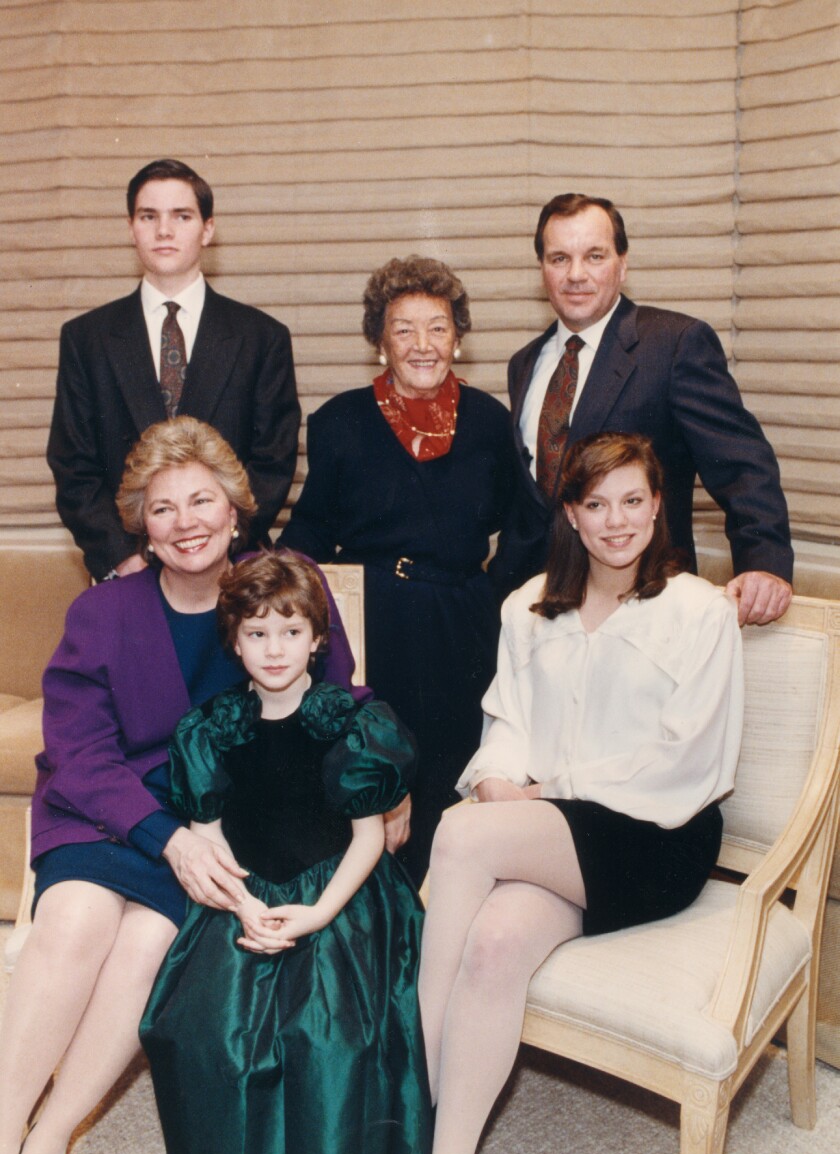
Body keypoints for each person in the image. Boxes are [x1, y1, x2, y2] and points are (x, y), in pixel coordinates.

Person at [0, 418, 360, 1154]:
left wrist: (379, 782)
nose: (186, 521)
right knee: (77, 923)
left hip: (219, 823)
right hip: (108, 811)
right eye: (163, 509)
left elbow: (334, 694)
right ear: (144, 527)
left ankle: (50, 1139)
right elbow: (80, 751)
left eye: (203, 500)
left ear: (237, 509)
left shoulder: (286, 582)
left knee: (147, 945)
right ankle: (0, 1136)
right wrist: (166, 838)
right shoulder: (103, 612)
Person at [418, 432, 744, 1154]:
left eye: (634, 500)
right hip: (555, 832)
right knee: (495, 943)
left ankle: (410, 1097)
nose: (617, 521)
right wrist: (499, 777)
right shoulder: (528, 608)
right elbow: (507, 723)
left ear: (659, 505)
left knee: (459, 832)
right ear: (569, 513)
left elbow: (689, 761)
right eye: (595, 504)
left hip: (659, 835)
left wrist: (539, 793)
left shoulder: (699, 612)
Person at [140, 551, 432, 1154]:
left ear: (318, 638)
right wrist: (243, 906)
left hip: (341, 898)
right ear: (235, 639)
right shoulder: (209, 731)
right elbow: (210, 837)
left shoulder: (353, 725)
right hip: (243, 896)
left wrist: (319, 913)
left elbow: (368, 840)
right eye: (258, 632)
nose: (275, 649)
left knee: (328, 1038)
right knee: (206, 1032)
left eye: (291, 630)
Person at [282, 255, 518, 883]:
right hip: (371, 625)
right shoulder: (337, 422)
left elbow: (531, 525)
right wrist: (267, 580)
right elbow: (310, 528)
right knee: (377, 778)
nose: (422, 345)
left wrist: (488, 594)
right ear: (378, 341)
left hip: (461, 623)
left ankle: (445, 920)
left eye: (437, 327)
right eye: (403, 328)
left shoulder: (491, 421)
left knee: (449, 778)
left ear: (458, 340)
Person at [493, 191, 793, 627]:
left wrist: (764, 560)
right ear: (542, 269)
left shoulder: (673, 345)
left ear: (623, 263)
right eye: (559, 259)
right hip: (534, 606)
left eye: (594, 256)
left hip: (644, 607)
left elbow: (742, 464)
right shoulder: (525, 363)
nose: (576, 274)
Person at [47, 157, 301, 581]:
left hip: (228, 567)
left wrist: (217, 547)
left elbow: (273, 461)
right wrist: (124, 558)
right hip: (128, 571)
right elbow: (72, 464)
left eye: (181, 216)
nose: (164, 230)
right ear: (132, 228)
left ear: (207, 229)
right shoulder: (86, 338)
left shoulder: (262, 337)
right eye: (149, 216)